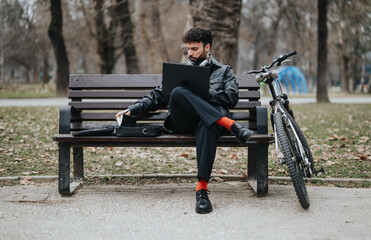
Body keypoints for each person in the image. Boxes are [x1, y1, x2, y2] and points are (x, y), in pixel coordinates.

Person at [115, 27, 253, 214]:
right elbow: (157, 96)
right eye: (188, 49)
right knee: (178, 91)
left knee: (208, 124)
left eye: (194, 49)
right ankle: (231, 126)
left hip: (209, 124)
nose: (190, 53)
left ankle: (201, 190)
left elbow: (232, 98)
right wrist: (132, 109)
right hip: (184, 122)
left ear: (207, 47)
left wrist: (202, 90)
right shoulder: (180, 72)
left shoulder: (224, 71)